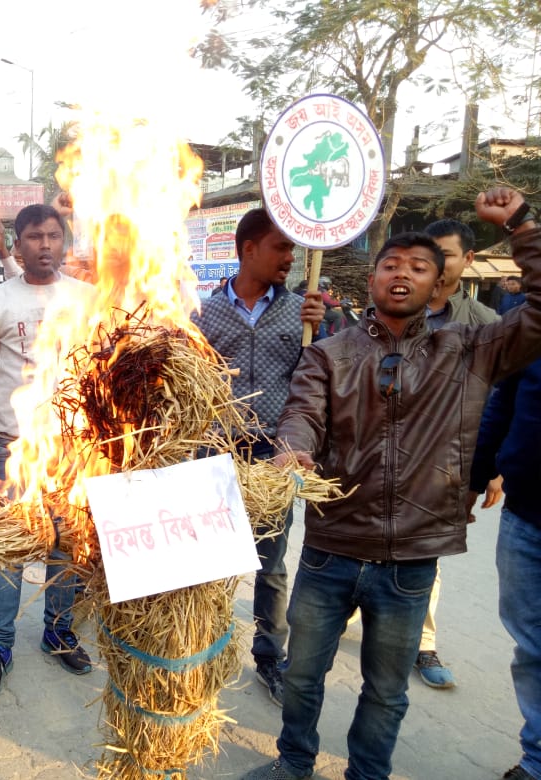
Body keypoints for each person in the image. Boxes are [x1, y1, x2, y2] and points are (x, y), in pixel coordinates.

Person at [243, 187, 541, 780]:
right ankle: (294, 763)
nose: (401, 273)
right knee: (302, 674)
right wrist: (295, 452)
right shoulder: (329, 353)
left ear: (441, 286)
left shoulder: (471, 349)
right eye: (390, 264)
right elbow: (302, 412)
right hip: (332, 550)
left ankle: (367, 775)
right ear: (374, 278)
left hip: (411, 558)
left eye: (418, 267)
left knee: (385, 690)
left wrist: (523, 227)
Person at [0, 203, 94, 698]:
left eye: (54, 235)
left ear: (64, 241)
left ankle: (59, 630)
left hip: (76, 446)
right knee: (11, 548)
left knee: (67, 545)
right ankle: (0, 643)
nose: (46, 245)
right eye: (35, 236)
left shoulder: (88, 299)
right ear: (18, 244)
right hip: (14, 446)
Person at [190, 208, 324, 708]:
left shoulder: (303, 313)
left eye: (293, 250)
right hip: (216, 450)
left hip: (274, 452)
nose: (290, 258)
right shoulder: (202, 313)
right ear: (248, 250)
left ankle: (270, 657)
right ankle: (207, 650)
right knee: (213, 559)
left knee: (270, 562)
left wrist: (322, 330)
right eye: (281, 248)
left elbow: (317, 380)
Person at [406, 217, 503, 690]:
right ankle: (350, 617)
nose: (436, 264)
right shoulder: (395, 309)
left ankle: (421, 643)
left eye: (445, 254)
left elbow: (502, 399)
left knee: (426, 552)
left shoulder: (487, 326)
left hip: (445, 460)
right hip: (382, 453)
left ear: (467, 260)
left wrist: (492, 468)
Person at [470, 355, 541, 780]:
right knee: (531, 645)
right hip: (527, 516)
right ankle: (536, 761)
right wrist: (478, 476)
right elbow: (502, 407)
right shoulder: (534, 335)